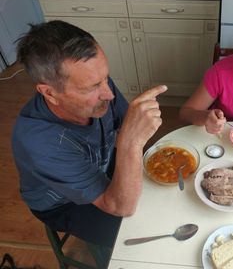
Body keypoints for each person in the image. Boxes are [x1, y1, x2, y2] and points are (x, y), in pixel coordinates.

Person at [12, 20, 167, 253]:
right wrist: (130, 144)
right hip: (63, 203)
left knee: (161, 196)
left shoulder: (101, 89)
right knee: (138, 233)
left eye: (105, 77)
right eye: (91, 87)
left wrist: (135, 132)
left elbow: (126, 124)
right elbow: (119, 206)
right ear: (49, 93)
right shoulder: (40, 142)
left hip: (99, 164)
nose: (108, 93)